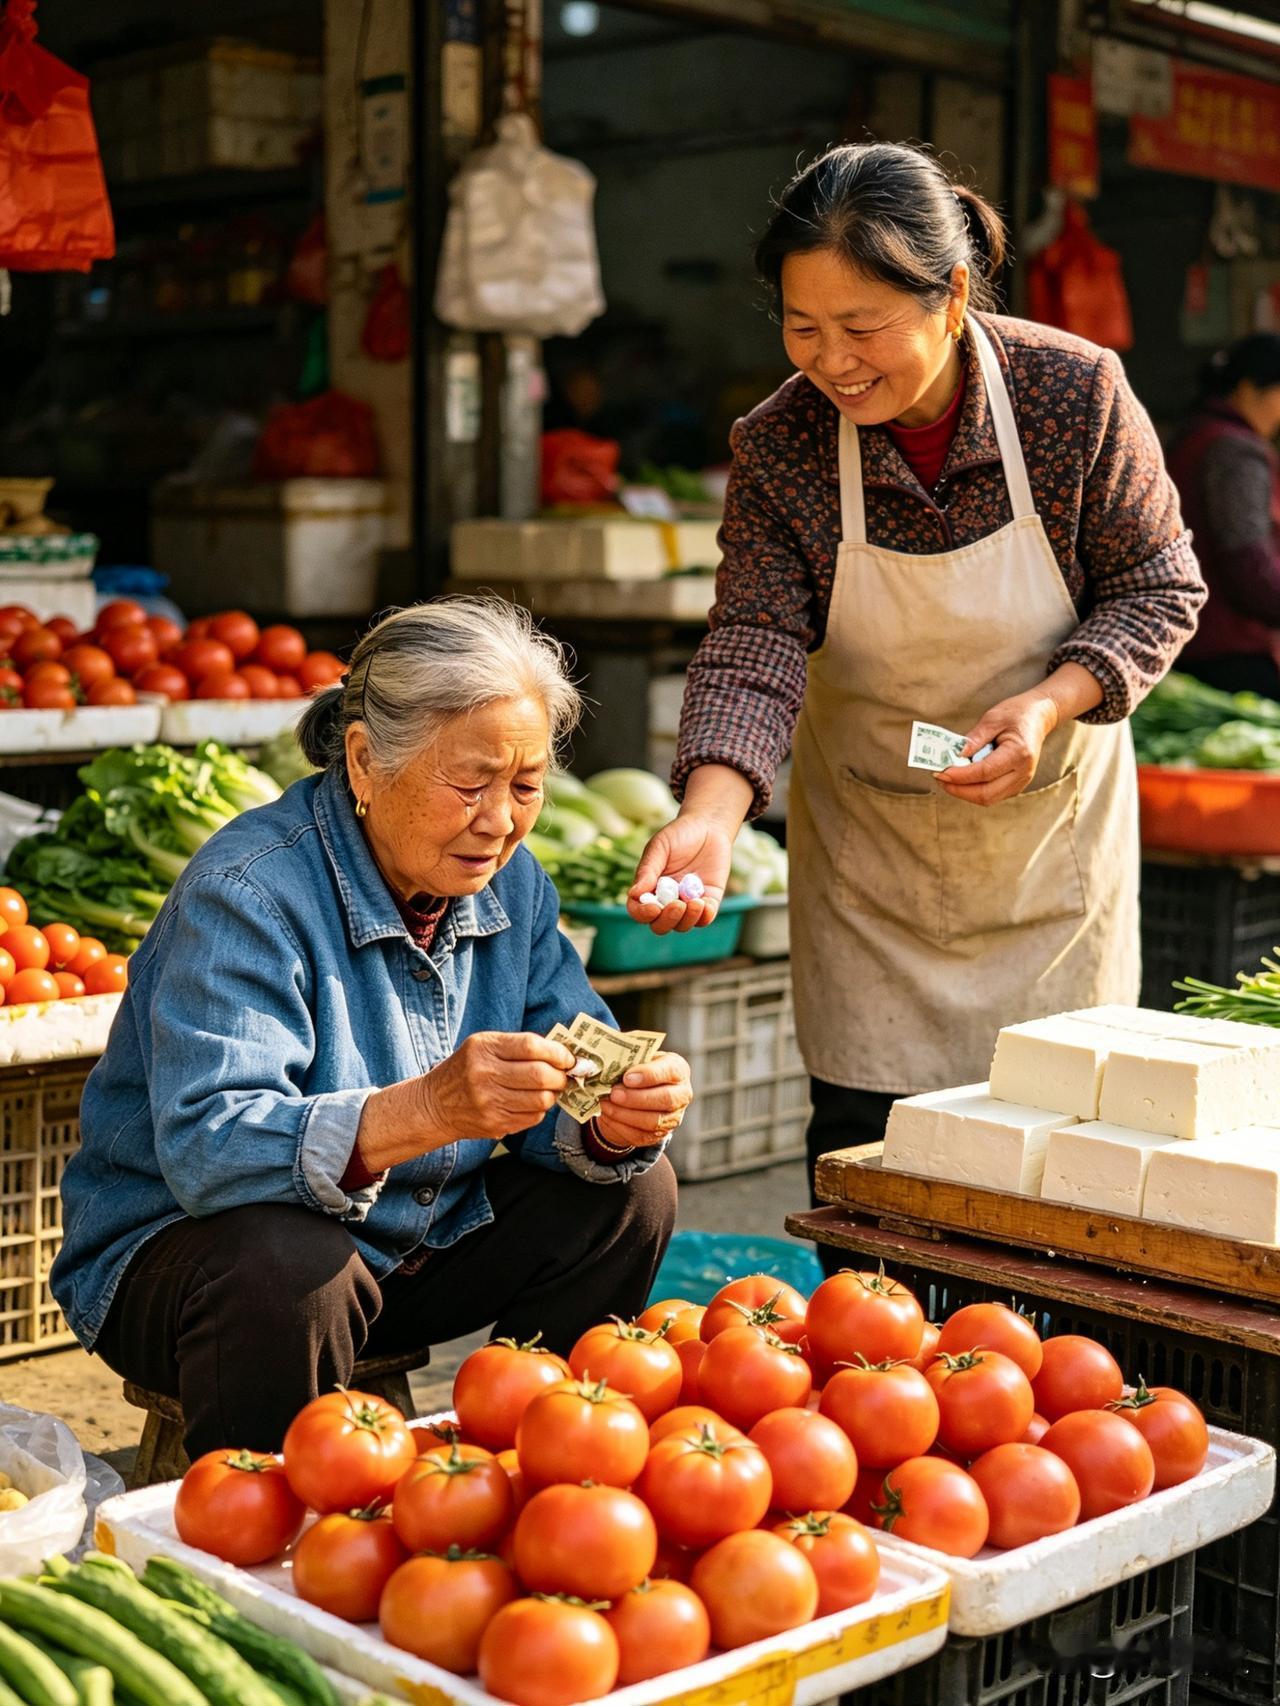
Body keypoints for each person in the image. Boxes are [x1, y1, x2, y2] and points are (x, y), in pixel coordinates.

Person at [627, 143, 1204, 1260]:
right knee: (870, 1175)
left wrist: (1047, 704)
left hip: (1046, 849)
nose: (831, 362)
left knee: (1056, 1178)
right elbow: (752, 638)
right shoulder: (780, 441)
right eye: (802, 327)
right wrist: (707, 812)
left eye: (861, 327)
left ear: (947, 295)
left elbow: (1156, 583)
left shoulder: (1070, 394)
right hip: (871, 862)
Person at [53, 598, 689, 1455]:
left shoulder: (517, 884)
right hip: (195, 1260)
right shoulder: (247, 893)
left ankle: (540, 1466)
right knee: (289, 1264)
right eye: (470, 783)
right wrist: (429, 1110)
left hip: (411, 1241)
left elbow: (562, 1089)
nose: (501, 821)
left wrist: (613, 1121)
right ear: (364, 761)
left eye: (527, 786)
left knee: (631, 1196)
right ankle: (267, 1526)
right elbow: (212, 1149)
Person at [1168, 333, 1280, 697]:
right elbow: (1247, 563)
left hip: (1193, 642)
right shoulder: (1232, 450)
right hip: (1228, 652)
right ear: (1250, 387)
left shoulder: (1194, 434)